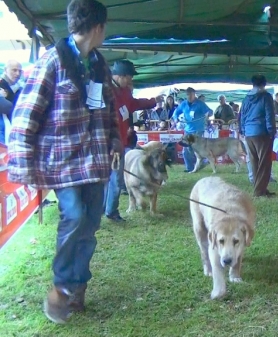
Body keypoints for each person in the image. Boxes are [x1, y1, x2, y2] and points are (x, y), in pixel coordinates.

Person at [7, 0, 120, 324]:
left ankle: (77, 286)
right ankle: (61, 288)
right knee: (74, 216)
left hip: (95, 160)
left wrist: (114, 143)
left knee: (91, 224)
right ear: (98, 28)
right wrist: (25, 166)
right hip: (63, 162)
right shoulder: (52, 62)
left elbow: (110, 112)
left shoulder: (99, 64)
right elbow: (25, 115)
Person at [106, 59, 162, 221]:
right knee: (114, 178)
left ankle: (108, 209)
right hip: (110, 142)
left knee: (114, 178)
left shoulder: (124, 92)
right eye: (130, 77)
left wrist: (153, 101)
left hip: (121, 141)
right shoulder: (106, 90)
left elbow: (133, 104)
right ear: (121, 76)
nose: (131, 80)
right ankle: (110, 211)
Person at [239, 74, 276, 197]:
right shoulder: (266, 97)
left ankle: (260, 188)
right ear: (264, 84)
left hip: (249, 134)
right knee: (264, 163)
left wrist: (243, 130)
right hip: (262, 133)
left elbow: (242, 116)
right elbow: (269, 115)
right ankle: (259, 191)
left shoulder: (246, 98)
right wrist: (271, 132)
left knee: (254, 162)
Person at [172, 87, 213, 172]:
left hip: (198, 130)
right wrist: (175, 118)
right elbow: (176, 112)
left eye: (191, 94)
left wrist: (208, 113)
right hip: (187, 130)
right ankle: (190, 168)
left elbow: (210, 111)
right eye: (188, 94)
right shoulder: (183, 104)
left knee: (197, 149)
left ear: (194, 94)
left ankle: (203, 162)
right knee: (187, 149)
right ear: (186, 95)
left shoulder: (200, 104)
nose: (190, 96)